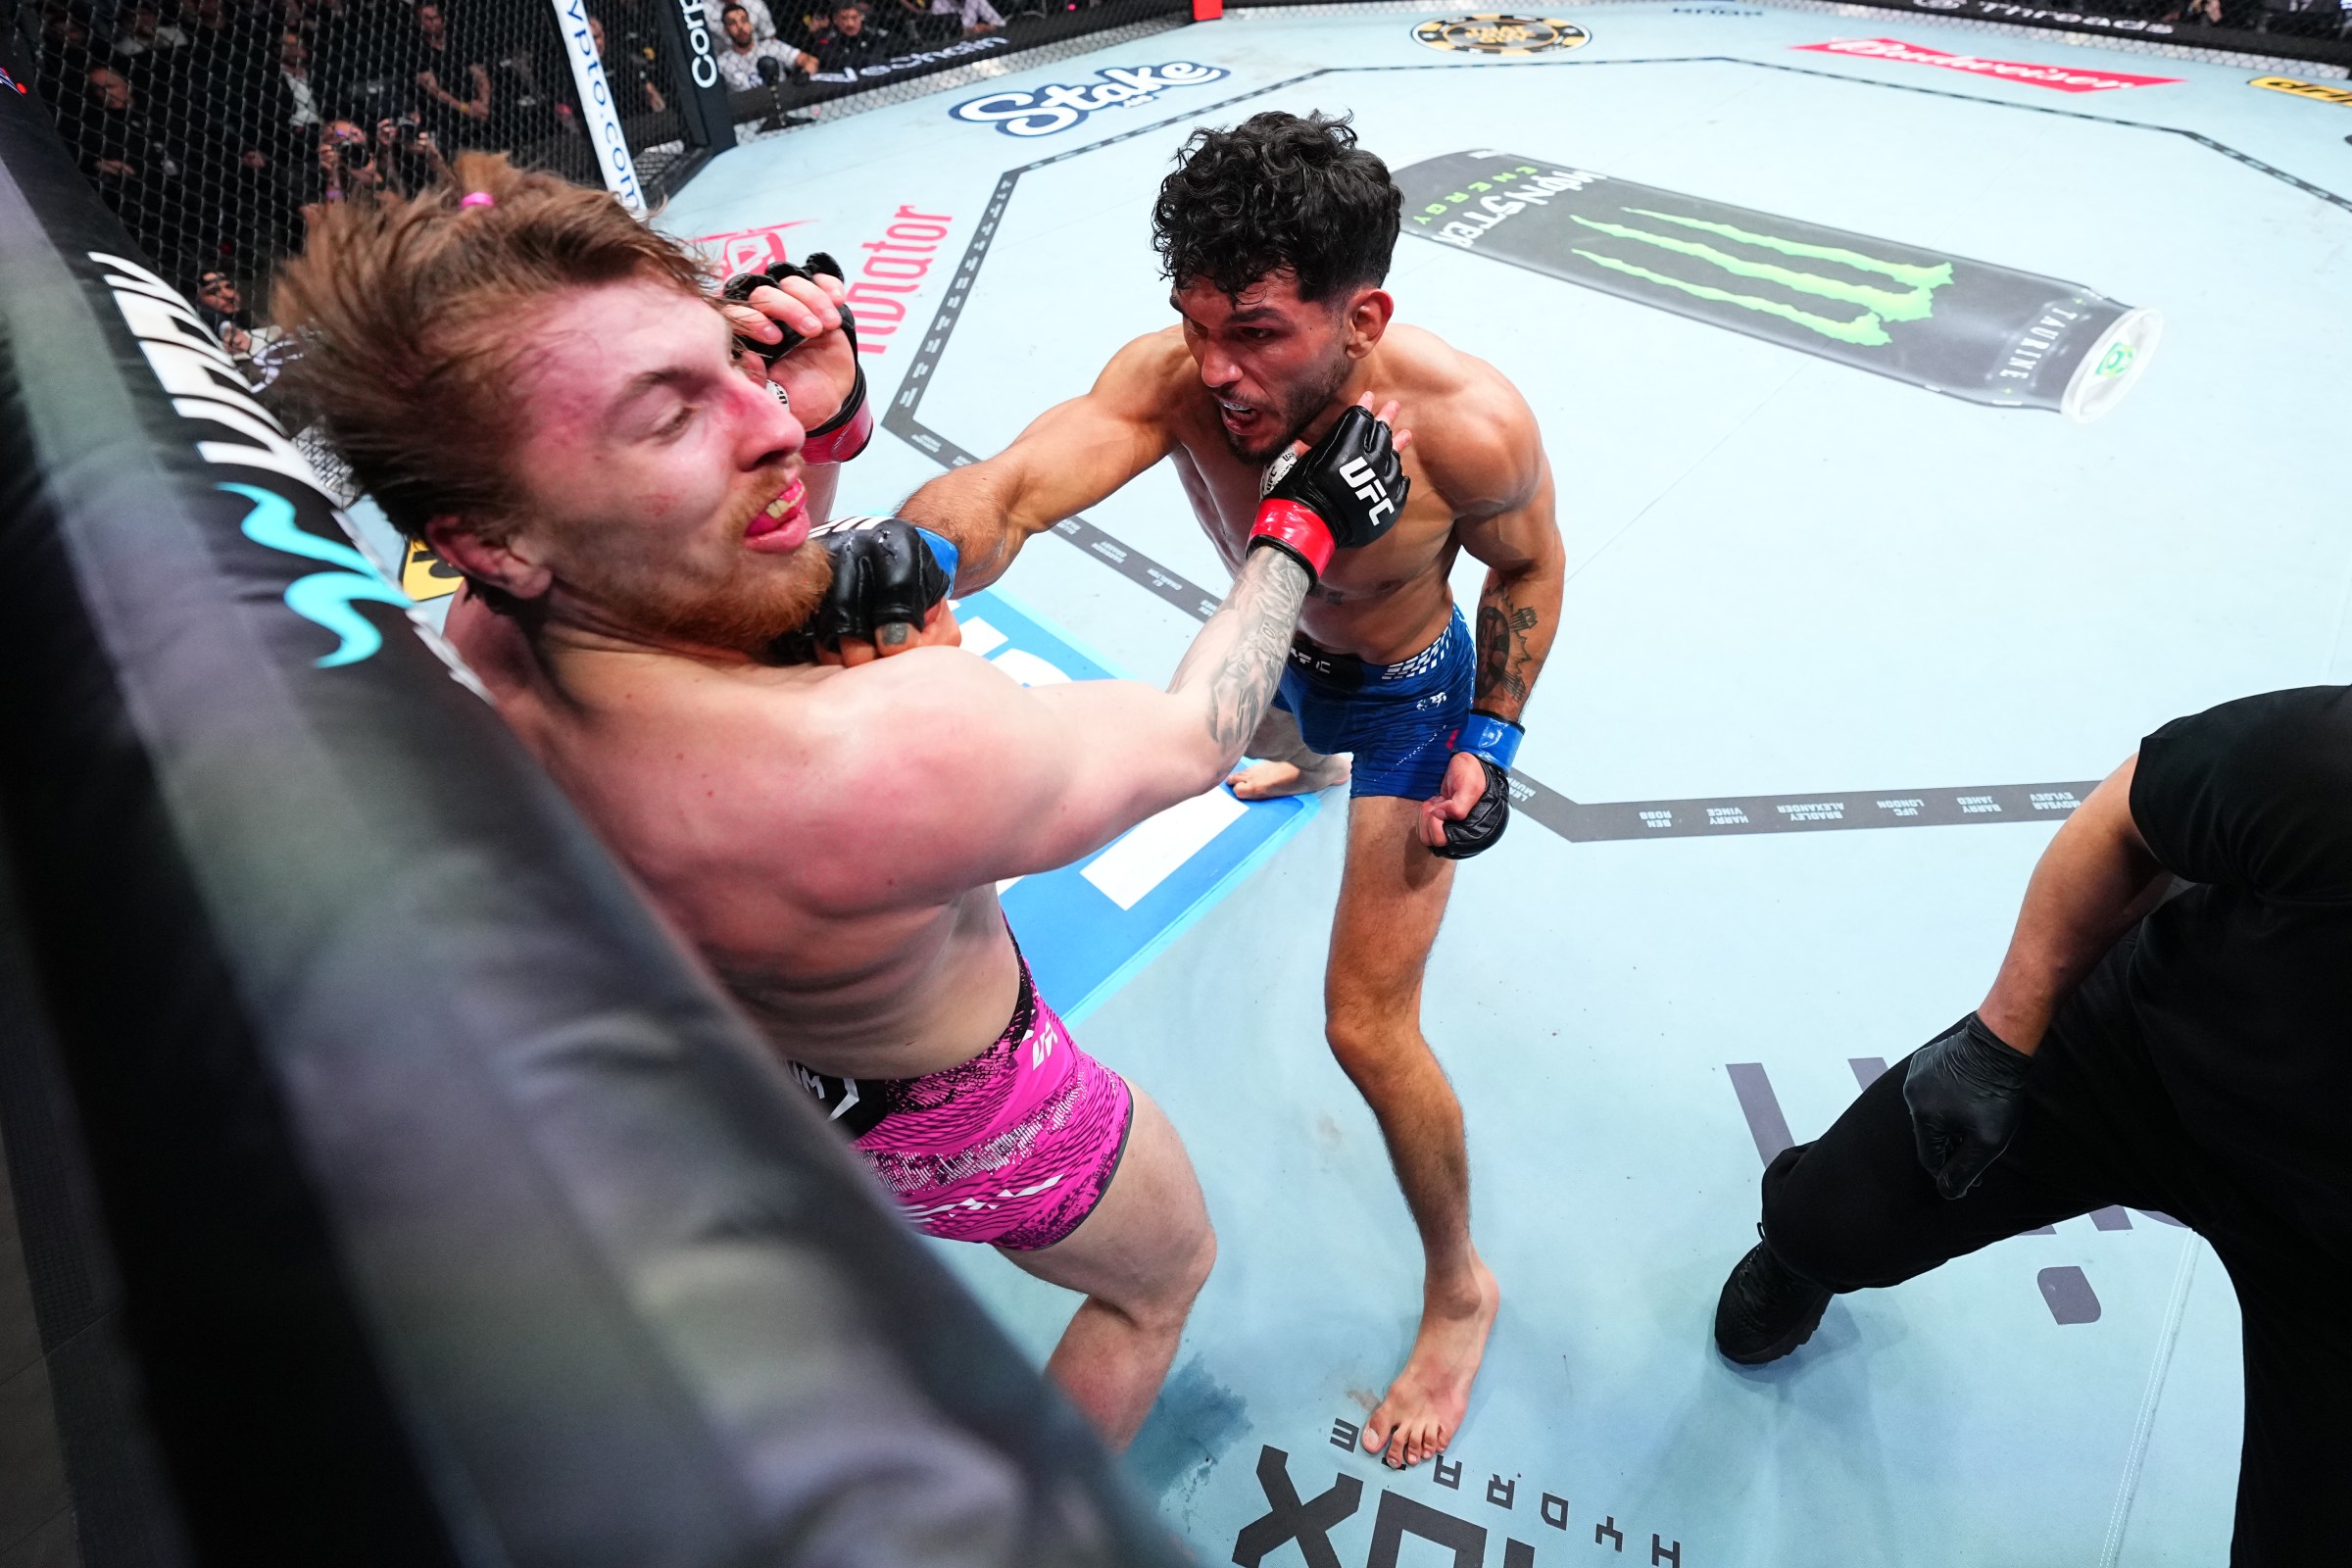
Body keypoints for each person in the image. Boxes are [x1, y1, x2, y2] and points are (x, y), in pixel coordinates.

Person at [270, 155, 1409, 1448]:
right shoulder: (893, 747)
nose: (761, 423)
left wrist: (821, 444)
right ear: (489, 534)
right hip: (967, 1105)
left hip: (750, 1071)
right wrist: (1297, 537)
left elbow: (690, 610)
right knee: (1160, 1281)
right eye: (665, 415)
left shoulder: (476, 640)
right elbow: (1199, 735)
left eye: (727, 366)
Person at [897, 110, 1564, 1470]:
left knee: (1367, 1032)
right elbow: (1013, 494)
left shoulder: (1470, 427)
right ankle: (1303, 749)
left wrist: (1488, 743)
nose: (1220, 371)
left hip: (1401, 688)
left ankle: (1459, 1289)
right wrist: (884, 562)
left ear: (1360, 313)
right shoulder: (1175, 380)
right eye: (1196, 324)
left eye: (1257, 330)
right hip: (1266, 646)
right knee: (1262, 689)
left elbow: (1530, 575)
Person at [1714, 687, 2352, 1565]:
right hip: (2140, 1062)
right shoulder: (2330, 767)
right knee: (1829, 1223)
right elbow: (2128, 816)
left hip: (2329, 1248)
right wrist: (1999, 1041)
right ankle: (1798, 1257)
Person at [712, 2, 813, 90]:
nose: (740, 27)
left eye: (743, 20)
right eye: (733, 23)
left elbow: (810, 60)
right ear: (726, 30)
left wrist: (805, 74)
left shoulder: (771, 46)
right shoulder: (722, 63)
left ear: (750, 24)